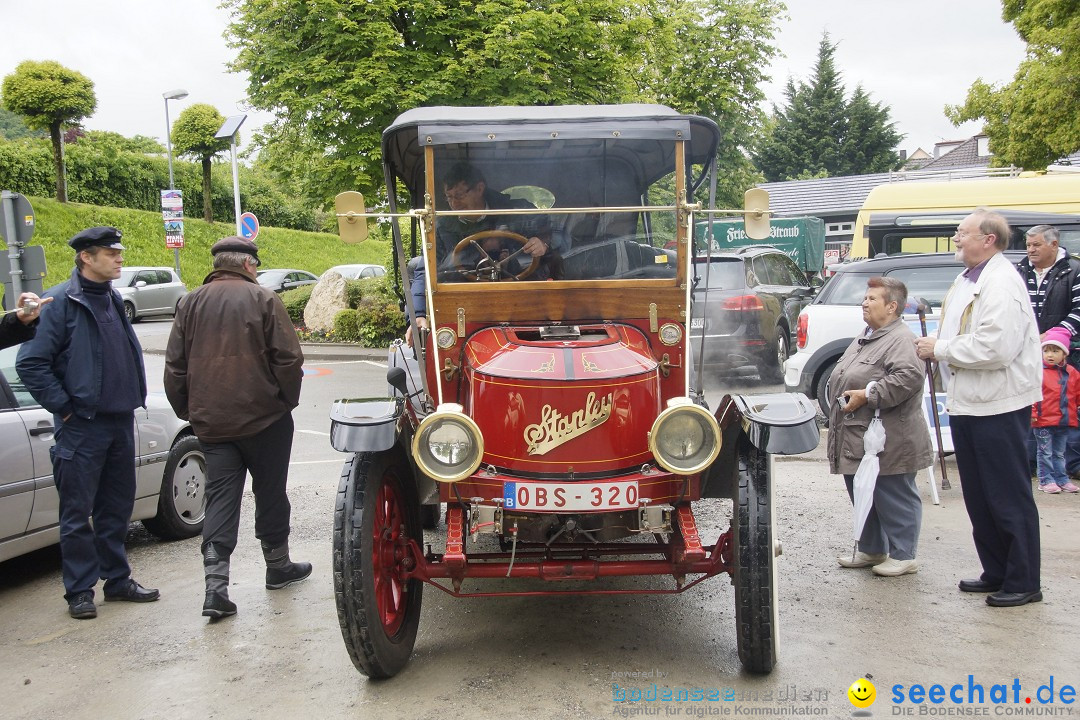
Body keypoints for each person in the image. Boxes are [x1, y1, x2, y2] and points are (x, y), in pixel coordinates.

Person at [15, 227, 158, 619]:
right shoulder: (60, 302)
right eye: (111, 253)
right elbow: (31, 363)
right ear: (86, 258)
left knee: (116, 509)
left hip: (118, 422)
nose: (119, 258)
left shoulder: (111, 298)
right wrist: (64, 408)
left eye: (119, 252)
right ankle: (79, 591)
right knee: (77, 514)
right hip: (81, 426)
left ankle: (117, 581)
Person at [164, 236, 309, 620]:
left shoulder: (189, 303)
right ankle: (277, 566)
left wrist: (191, 411)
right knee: (270, 491)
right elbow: (289, 360)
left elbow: (175, 367)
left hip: (212, 422)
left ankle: (216, 588)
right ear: (247, 265)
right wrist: (283, 402)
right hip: (265, 420)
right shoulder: (263, 299)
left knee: (220, 498)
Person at [915, 208, 1043, 608]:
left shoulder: (1001, 282)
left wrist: (940, 349)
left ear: (988, 239)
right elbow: (960, 331)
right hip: (971, 402)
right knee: (980, 494)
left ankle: (1024, 581)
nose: (956, 238)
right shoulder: (968, 277)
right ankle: (997, 570)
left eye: (962, 232)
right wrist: (938, 342)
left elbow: (995, 347)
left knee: (1006, 494)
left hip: (998, 405)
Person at [827, 277, 933, 577]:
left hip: (892, 437)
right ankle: (873, 549)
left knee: (893, 493)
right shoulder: (868, 334)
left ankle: (904, 555)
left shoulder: (900, 339)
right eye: (865, 297)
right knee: (864, 491)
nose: (864, 302)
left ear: (891, 306)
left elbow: (907, 378)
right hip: (861, 435)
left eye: (872, 299)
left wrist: (867, 394)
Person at [405, 162, 553, 347]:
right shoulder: (441, 226)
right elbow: (425, 269)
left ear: (480, 189)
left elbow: (556, 236)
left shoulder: (518, 212)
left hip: (523, 300)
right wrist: (417, 315)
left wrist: (544, 243)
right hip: (465, 304)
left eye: (459, 196)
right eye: (449, 197)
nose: (453, 204)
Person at [1015, 224, 1080, 476]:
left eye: (1036, 245)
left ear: (1054, 245)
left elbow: (1078, 311)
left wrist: (1050, 337)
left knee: (1066, 408)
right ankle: (1031, 463)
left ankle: (1068, 466)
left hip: (1067, 354)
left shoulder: (1074, 270)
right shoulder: (1018, 270)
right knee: (1030, 407)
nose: (1030, 250)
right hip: (1026, 352)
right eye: (1028, 245)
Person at [1031, 327, 1080, 494]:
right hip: (1043, 420)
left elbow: (1077, 392)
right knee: (1045, 451)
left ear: (1064, 354)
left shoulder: (1071, 373)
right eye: (1046, 350)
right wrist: (1032, 414)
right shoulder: (1038, 372)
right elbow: (1032, 394)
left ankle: (1061, 478)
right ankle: (1045, 479)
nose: (1050, 355)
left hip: (1064, 420)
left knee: (1059, 452)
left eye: (1055, 351)